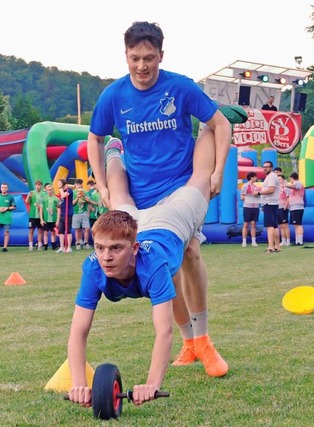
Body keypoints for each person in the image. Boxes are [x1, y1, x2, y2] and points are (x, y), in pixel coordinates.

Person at [86, 22, 233, 377]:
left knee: (190, 253)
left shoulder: (180, 87)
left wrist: (217, 173)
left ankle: (205, 339)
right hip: (139, 196)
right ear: (126, 56)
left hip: (181, 188)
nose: (141, 66)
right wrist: (102, 185)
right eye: (135, 58)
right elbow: (94, 137)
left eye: (149, 58)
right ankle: (188, 342)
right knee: (158, 263)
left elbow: (222, 124)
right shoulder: (114, 96)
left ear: (161, 56)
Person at [67, 127, 214, 407]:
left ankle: (209, 126)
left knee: (199, 180)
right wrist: (78, 384)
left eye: (115, 249)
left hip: (172, 220)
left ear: (133, 249)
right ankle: (113, 151)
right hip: (137, 221)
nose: (106, 257)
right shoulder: (93, 267)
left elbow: (163, 330)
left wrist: (152, 384)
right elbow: (78, 331)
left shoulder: (153, 266)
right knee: (117, 195)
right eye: (100, 248)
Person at [259, 161, 281, 253]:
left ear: (271, 168)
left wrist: (259, 192)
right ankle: (277, 246)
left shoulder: (271, 176)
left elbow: (271, 190)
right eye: (263, 167)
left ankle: (271, 246)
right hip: (273, 203)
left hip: (269, 203)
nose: (264, 168)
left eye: (266, 167)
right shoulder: (270, 177)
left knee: (270, 226)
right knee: (275, 226)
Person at [0, 183, 16, 252]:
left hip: (7, 217)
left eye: (5, 187)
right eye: (2, 187)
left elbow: (14, 207)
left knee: (6, 232)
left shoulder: (10, 197)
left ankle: (5, 247)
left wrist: (7, 208)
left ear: (7, 188)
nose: (4, 189)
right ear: (0, 188)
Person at [240, 171, 261, 247]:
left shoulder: (256, 187)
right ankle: (244, 241)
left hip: (255, 207)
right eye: (255, 177)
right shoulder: (245, 186)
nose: (256, 178)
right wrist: (251, 197)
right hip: (247, 207)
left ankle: (253, 241)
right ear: (251, 177)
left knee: (253, 224)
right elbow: (242, 197)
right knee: (246, 224)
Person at [285, 172, 305, 245]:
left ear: (292, 178)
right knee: (295, 225)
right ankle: (297, 240)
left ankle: (300, 240)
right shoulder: (293, 186)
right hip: (293, 207)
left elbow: (293, 186)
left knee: (298, 224)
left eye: (290, 178)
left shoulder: (298, 183)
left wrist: (285, 184)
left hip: (298, 207)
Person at [25, 180, 46, 251]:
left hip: (40, 216)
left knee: (40, 230)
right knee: (31, 230)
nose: (38, 186)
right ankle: (30, 245)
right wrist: (28, 197)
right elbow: (27, 203)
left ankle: (39, 244)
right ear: (35, 186)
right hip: (32, 215)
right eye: (37, 185)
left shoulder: (44, 194)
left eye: (39, 185)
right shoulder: (31, 193)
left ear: (41, 186)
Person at [40, 183, 61, 250]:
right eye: (48, 190)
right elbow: (41, 209)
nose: (49, 191)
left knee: (53, 232)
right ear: (46, 190)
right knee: (45, 232)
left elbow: (58, 210)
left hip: (53, 219)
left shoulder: (56, 199)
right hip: (46, 219)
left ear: (53, 190)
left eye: (51, 190)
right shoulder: (43, 199)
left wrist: (57, 220)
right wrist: (41, 219)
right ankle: (45, 245)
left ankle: (53, 245)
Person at [72, 179, 92, 250]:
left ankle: (86, 243)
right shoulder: (73, 192)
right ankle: (78, 243)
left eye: (79, 184)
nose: (78, 185)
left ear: (81, 184)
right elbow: (72, 203)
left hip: (84, 211)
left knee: (87, 228)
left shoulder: (85, 192)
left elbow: (90, 201)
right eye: (77, 184)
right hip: (76, 212)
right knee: (77, 229)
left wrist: (84, 196)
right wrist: (77, 197)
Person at [57, 178, 74, 253]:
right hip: (62, 213)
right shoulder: (61, 191)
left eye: (59, 183)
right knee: (61, 230)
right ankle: (62, 247)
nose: (58, 184)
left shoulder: (69, 190)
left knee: (68, 230)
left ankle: (69, 247)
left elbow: (64, 196)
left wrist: (60, 188)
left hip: (68, 213)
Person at [277, 174, 291, 246]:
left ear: (283, 179)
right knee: (281, 225)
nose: (278, 180)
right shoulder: (277, 188)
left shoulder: (286, 188)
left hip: (283, 207)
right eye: (277, 179)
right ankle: (283, 240)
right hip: (277, 207)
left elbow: (288, 197)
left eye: (279, 179)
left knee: (285, 225)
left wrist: (286, 205)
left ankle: (288, 240)